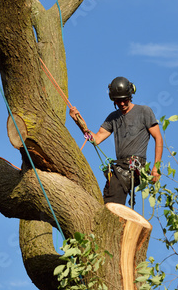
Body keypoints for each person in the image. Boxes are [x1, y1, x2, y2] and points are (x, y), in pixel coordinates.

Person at [69, 76, 163, 206]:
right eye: (118, 101)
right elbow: (96, 138)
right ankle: (114, 222)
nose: (122, 104)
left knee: (114, 193)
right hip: (120, 166)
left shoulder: (144, 111)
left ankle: (113, 220)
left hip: (135, 165)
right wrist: (78, 121)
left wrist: (156, 168)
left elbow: (158, 138)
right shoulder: (113, 118)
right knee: (109, 192)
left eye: (124, 100)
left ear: (130, 96)